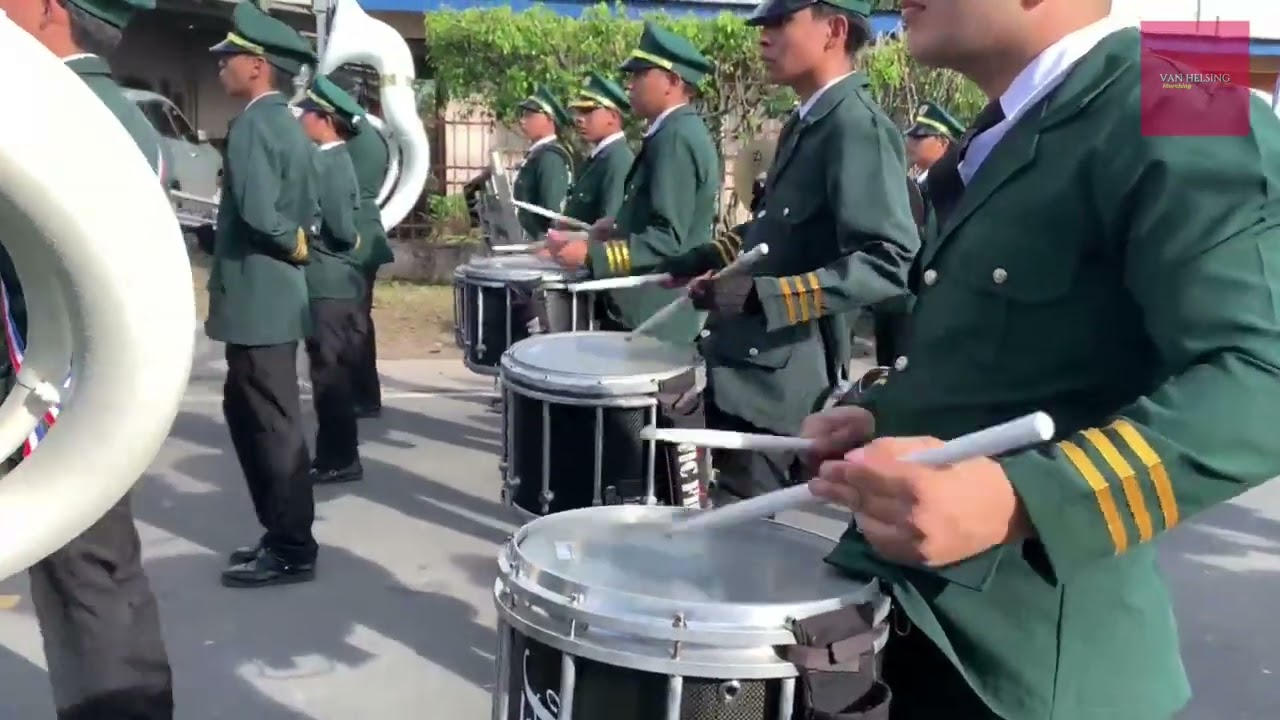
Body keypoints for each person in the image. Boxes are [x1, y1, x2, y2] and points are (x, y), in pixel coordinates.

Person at [800, 0, 1280, 718]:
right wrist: (880, 415)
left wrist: (1024, 498)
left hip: (1030, 675)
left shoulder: (1187, 90)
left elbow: (1261, 378)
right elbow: (1027, 354)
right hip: (927, 628)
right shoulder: (1016, 120)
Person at [660, 0, 919, 502]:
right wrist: (710, 261)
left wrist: (763, 298)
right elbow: (774, 233)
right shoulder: (807, 122)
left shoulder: (855, 126)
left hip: (779, 388)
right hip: (743, 369)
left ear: (834, 31)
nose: (762, 36)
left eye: (780, 22)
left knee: (743, 556)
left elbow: (890, 260)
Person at [0, 0, 176, 716]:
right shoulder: (105, 109)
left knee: (83, 572)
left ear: (50, 9)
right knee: (88, 568)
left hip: (49, 380)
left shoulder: (65, 115)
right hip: (69, 379)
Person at [207, 1, 322, 589]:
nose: (220, 66)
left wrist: (291, 243)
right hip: (272, 299)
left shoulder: (255, 123)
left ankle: (291, 546)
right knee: (262, 417)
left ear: (256, 67)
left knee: (269, 425)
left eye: (228, 58)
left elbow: (259, 214)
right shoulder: (285, 123)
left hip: (259, 298)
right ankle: (282, 535)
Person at [545, 20, 721, 347]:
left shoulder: (676, 138)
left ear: (671, 81)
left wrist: (592, 256)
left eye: (640, 75)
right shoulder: (670, 133)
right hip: (650, 310)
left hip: (655, 314)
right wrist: (613, 228)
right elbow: (654, 217)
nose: (630, 86)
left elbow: (667, 240)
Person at [295, 76, 366, 486]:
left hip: (330, 283)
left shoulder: (332, 163)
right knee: (326, 374)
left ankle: (339, 458)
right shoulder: (329, 159)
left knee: (331, 377)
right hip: (328, 282)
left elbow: (340, 227)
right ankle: (334, 455)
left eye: (307, 112)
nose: (301, 118)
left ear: (325, 120)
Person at [332, 73, 393, 419]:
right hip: (363, 229)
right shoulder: (365, 133)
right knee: (356, 319)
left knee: (354, 320)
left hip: (356, 232)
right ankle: (362, 393)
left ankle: (362, 394)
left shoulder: (357, 136)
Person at [562, 71, 634, 225]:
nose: (579, 119)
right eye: (579, 112)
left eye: (588, 112)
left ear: (613, 117)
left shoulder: (617, 160)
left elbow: (611, 227)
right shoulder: (598, 159)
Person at [512, 85, 573, 239]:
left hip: (541, 244)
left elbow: (552, 212)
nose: (522, 121)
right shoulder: (537, 154)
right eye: (523, 115)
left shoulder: (550, 158)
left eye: (529, 115)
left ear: (549, 118)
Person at [903, 100, 962, 183]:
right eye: (911, 136)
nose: (910, 143)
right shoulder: (915, 180)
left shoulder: (949, 184)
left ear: (942, 143)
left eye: (918, 137)